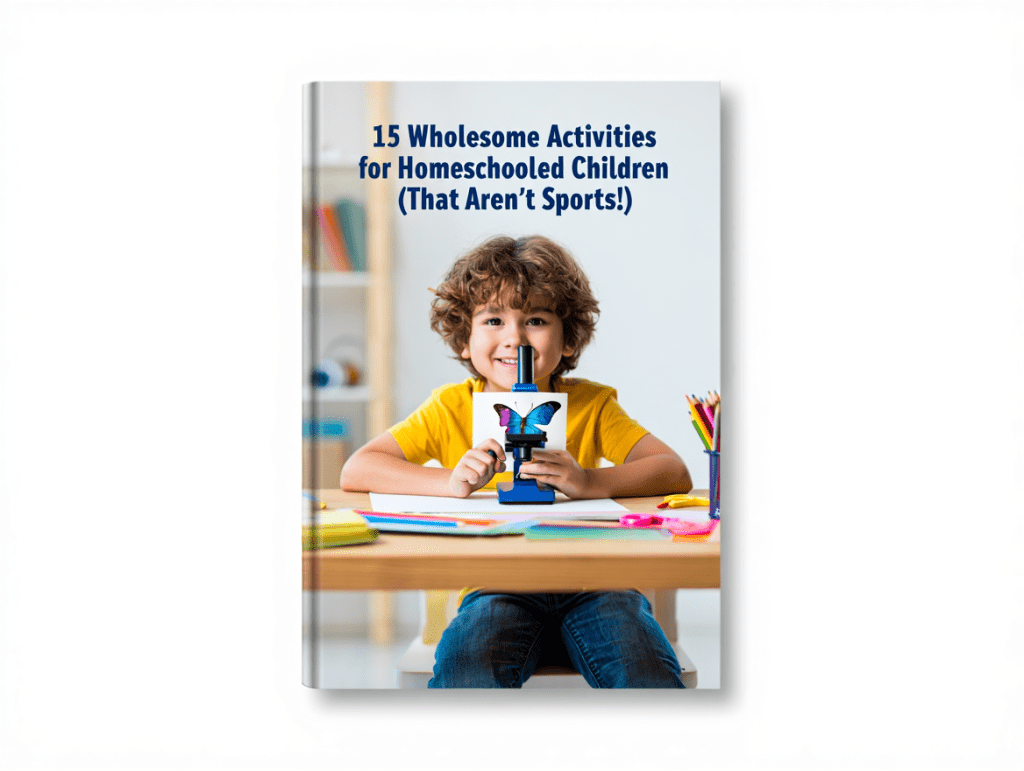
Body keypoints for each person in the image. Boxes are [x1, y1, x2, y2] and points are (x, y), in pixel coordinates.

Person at [340, 235, 693, 687]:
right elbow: (359, 469)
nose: (514, 338)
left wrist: (588, 481)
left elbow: (672, 470)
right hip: (495, 586)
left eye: (537, 319)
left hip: (598, 583)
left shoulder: (591, 405)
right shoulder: (450, 407)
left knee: (642, 666)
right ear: (465, 340)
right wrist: (452, 480)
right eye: (493, 319)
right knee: (468, 668)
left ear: (568, 339)